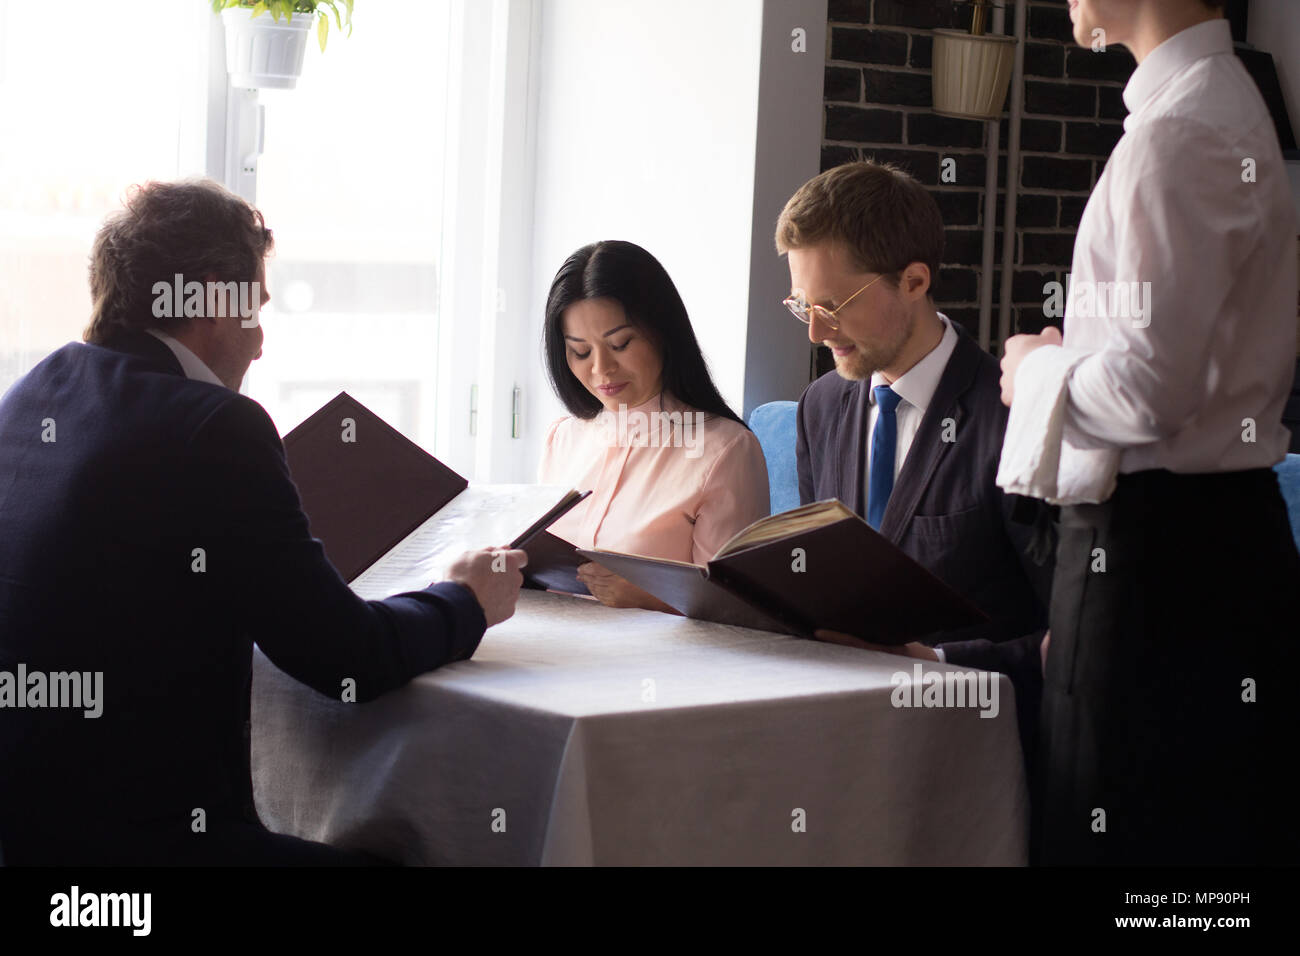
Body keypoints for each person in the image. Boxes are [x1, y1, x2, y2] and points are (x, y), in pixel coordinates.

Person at [0, 178, 526, 865]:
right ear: (215, 298)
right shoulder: (216, 427)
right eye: (256, 312)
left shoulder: (34, 392)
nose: (259, 344)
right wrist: (466, 601)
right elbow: (348, 660)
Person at [998, 0, 1298, 865]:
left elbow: (1149, 389)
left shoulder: (1182, 131)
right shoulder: (1208, 104)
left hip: (1162, 559)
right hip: (1202, 545)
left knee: (1128, 853)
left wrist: (1033, 373)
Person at [777, 161, 1054, 755]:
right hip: (834, 725)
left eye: (834, 304)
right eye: (803, 306)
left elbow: (1073, 639)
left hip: (969, 744)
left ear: (914, 281)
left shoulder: (1013, 416)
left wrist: (933, 663)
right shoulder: (820, 406)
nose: (817, 332)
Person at [538, 240, 770, 611]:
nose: (601, 369)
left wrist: (645, 595)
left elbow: (739, 609)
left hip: (659, 662)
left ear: (662, 332)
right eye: (580, 351)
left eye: (621, 343)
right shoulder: (563, 438)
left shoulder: (725, 450)